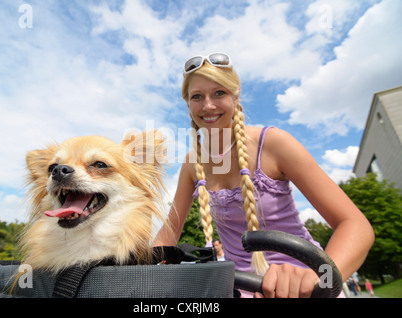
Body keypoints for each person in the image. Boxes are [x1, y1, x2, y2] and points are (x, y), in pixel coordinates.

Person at [153, 52, 374, 298]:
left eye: (219, 93)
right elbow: (168, 234)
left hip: (304, 285)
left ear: (235, 96)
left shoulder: (274, 143)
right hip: (238, 288)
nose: (208, 105)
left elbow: (356, 226)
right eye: (197, 96)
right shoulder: (191, 163)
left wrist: (318, 278)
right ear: (187, 103)